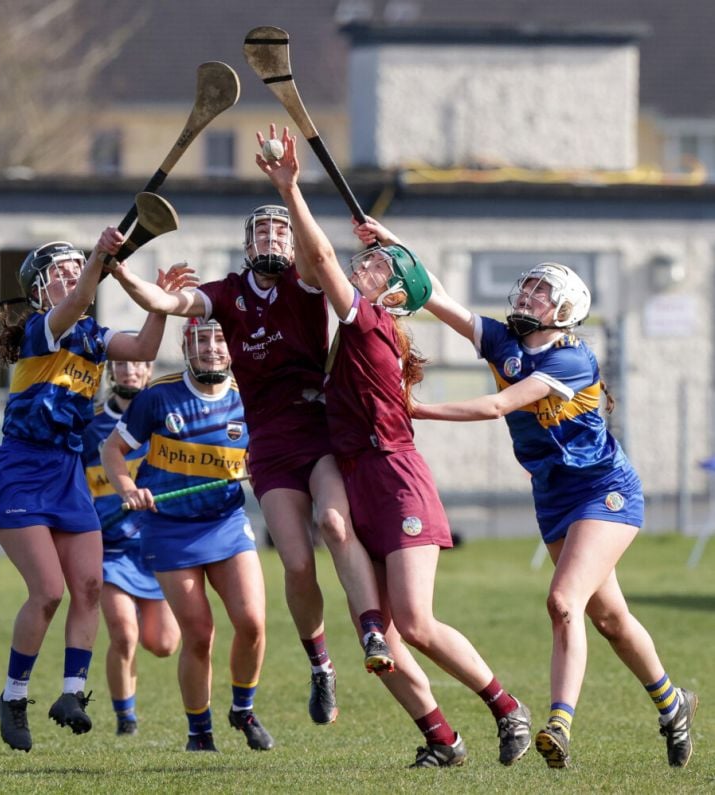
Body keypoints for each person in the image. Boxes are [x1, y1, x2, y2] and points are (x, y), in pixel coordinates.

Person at [256, 127, 532, 768]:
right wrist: (395, 244)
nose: (363, 266)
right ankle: (443, 738)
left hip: (395, 476)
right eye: (369, 262)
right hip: (356, 476)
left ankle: (506, 707)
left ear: (396, 293)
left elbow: (321, 264)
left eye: (378, 267)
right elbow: (317, 268)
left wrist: (291, 188)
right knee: (379, 645)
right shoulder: (366, 316)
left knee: (415, 620)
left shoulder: (372, 318)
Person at [107, 161, 396, 726]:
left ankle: (370, 632)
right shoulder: (227, 294)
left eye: (280, 232)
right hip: (270, 445)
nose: (272, 238)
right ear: (245, 245)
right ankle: (321, 666)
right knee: (294, 563)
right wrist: (118, 271)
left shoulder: (306, 281)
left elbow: (326, 258)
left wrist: (289, 191)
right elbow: (167, 305)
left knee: (336, 528)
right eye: (261, 232)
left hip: (319, 432)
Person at [404, 256, 699, 769]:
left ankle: (559, 724)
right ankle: (674, 706)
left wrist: (415, 409)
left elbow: (499, 407)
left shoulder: (570, 359)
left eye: (540, 292)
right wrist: (392, 247)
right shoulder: (503, 344)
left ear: (565, 309)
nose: (526, 296)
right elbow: (434, 295)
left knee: (564, 602)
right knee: (608, 618)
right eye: (526, 288)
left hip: (605, 491)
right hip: (555, 497)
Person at [0, 233, 167, 753]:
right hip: (20, 470)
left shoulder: (94, 336)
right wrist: (99, 262)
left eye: (75, 267)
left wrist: (161, 305)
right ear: (39, 291)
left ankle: (72, 694)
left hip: (65, 474)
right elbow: (78, 297)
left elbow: (145, 349)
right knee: (49, 592)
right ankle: (13, 698)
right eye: (57, 270)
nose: (69, 275)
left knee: (87, 585)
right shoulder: (44, 327)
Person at [101, 317, 273, 752]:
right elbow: (112, 450)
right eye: (202, 339)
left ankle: (243, 709)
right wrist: (127, 488)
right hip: (169, 528)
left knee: (252, 622)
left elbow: (269, 450)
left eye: (220, 338)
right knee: (199, 634)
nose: (212, 348)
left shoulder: (249, 397)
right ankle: (200, 732)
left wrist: (264, 466)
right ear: (186, 344)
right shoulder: (159, 395)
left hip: (226, 523)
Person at [81, 356, 180, 736]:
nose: (129, 371)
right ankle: (127, 719)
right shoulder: (91, 426)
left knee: (165, 644)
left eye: (137, 364)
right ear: (111, 372)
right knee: (124, 633)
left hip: (156, 543)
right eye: (121, 364)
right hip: (109, 548)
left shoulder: (162, 419)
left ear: (149, 370)